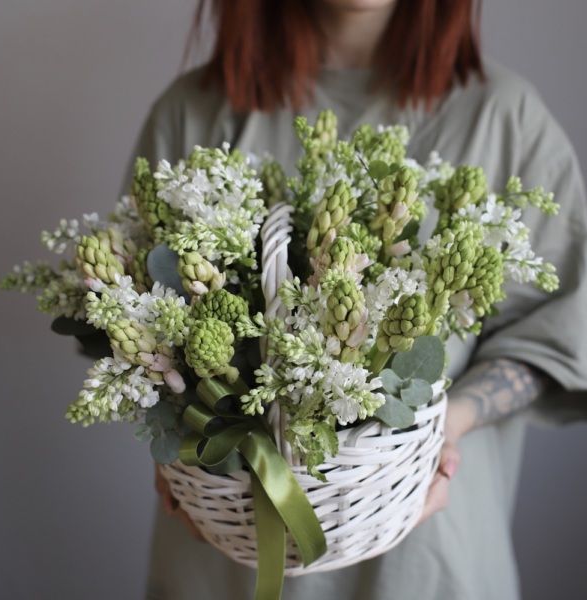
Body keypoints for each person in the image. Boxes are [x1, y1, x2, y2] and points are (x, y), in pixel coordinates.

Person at [124, 1, 587, 598]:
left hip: (420, 553)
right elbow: (137, 326)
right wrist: (178, 457)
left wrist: (448, 425)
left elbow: (561, 329)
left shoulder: (504, 115)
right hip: (225, 552)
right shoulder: (194, 110)